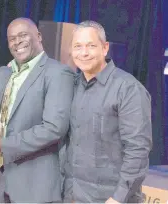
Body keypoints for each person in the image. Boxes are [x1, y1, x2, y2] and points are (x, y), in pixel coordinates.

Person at [0, 17, 75, 203]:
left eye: (23, 35)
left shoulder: (58, 73)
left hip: (33, 185)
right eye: (11, 38)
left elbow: (54, 128)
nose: (17, 42)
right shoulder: (2, 74)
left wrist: (3, 145)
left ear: (38, 36)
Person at [62, 20, 152, 203]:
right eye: (77, 46)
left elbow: (138, 150)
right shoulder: (71, 85)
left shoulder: (128, 89)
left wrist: (118, 198)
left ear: (105, 48)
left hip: (110, 199)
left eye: (91, 46)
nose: (84, 53)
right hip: (71, 196)